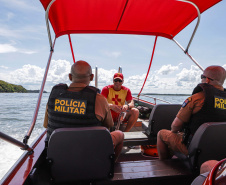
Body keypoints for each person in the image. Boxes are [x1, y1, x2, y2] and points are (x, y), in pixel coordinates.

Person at [43, 60, 124, 162]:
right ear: (91, 77)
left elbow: (46, 125)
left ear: (70, 77)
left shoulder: (54, 96)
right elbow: (108, 126)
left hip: (58, 155)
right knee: (120, 134)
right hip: (90, 154)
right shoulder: (99, 99)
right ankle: (110, 167)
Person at [157, 65, 226, 160]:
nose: (201, 79)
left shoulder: (196, 98)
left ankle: (164, 165)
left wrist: (176, 132)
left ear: (207, 80)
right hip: (219, 147)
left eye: (202, 77)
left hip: (195, 147)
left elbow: (175, 126)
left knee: (161, 134)